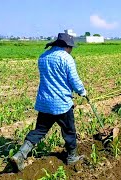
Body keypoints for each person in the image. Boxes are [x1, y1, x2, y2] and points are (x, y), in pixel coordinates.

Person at [10, 33, 87, 171]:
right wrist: (82, 91)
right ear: (66, 46)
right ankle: (72, 157)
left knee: (39, 130)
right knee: (69, 131)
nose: (71, 50)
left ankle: (20, 154)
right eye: (71, 47)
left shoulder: (43, 57)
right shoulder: (67, 59)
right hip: (62, 104)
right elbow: (74, 80)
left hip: (45, 103)